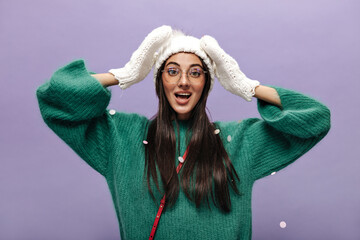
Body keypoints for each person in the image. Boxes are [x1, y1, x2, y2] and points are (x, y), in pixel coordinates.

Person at [36, 26, 331, 240]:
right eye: (172, 70)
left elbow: (316, 119)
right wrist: (124, 75)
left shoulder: (238, 142)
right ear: (159, 80)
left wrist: (247, 86)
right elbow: (54, 98)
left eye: (195, 72)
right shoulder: (121, 138)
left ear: (206, 84)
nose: (184, 82)